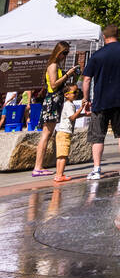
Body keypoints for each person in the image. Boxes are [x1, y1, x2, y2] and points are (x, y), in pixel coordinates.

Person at [81, 25, 120, 181]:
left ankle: (97, 169)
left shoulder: (97, 55)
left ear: (104, 37)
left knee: (98, 136)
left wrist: (86, 99)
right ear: (118, 35)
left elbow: (86, 79)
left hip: (101, 101)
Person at [32, 41, 77, 177]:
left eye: (67, 53)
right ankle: (38, 167)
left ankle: (39, 166)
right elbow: (53, 83)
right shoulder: (52, 65)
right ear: (58, 52)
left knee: (47, 134)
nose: (65, 56)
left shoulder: (56, 65)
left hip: (55, 101)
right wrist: (67, 75)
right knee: (46, 134)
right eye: (64, 53)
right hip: (52, 101)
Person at [53, 86, 86, 184]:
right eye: (74, 92)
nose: (76, 94)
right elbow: (72, 117)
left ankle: (58, 174)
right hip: (65, 133)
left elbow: (73, 116)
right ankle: (60, 175)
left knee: (60, 156)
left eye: (77, 91)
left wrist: (84, 114)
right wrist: (82, 108)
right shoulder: (69, 105)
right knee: (63, 156)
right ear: (66, 95)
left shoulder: (67, 104)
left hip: (61, 132)